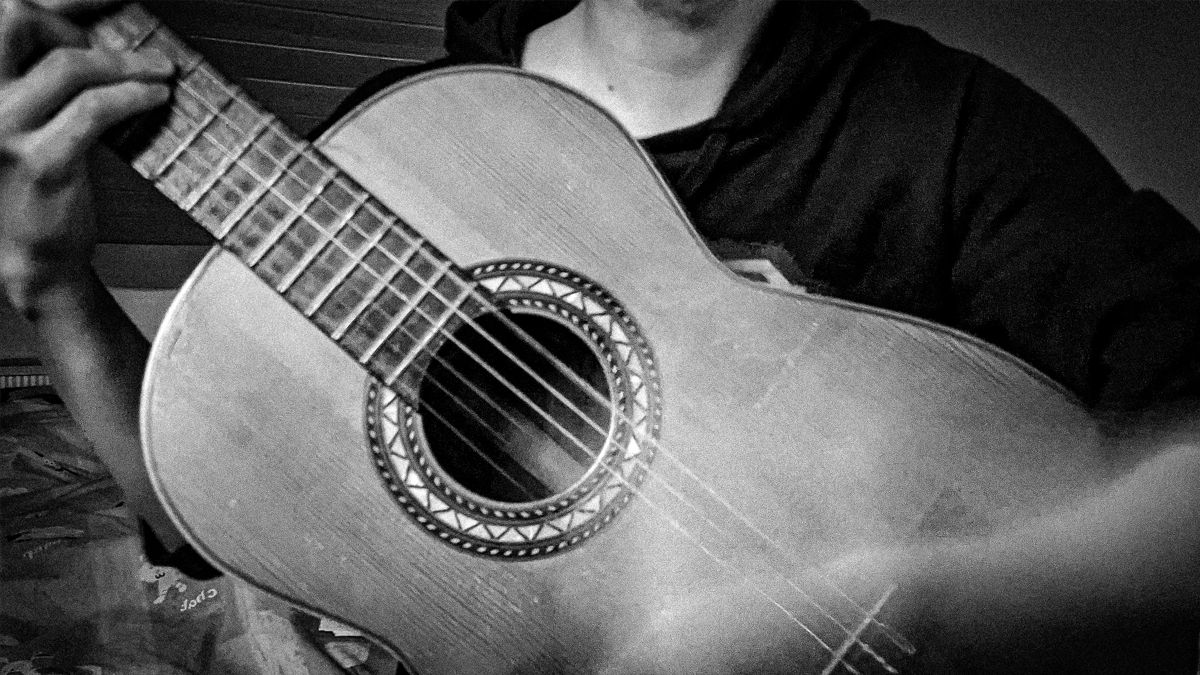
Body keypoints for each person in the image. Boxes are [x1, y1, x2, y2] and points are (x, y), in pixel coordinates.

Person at [1, 0, 1198, 672]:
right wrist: (52, 284)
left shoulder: (947, 131)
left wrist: (921, 601)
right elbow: (210, 502)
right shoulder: (406, 140)